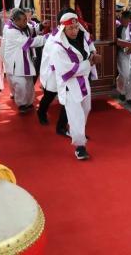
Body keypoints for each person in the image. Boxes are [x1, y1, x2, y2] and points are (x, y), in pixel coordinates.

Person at [50, 12, 100, 160]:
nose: (74, 31)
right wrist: (89, 63)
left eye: (76, 27)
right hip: (69, 86)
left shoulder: (82, 36)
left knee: (86, 110)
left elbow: (90, 46)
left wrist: (93, 54)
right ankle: (80, 147)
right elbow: (66, 71)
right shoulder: (58, 47)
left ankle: (78, 132)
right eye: (70, 28)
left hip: (83, 82)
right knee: (76, 115)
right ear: (63, 29)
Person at [3, 8, 46, 113]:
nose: (26, 22)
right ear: (16, 21)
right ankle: (22, 105)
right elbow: (29, 42)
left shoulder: (23, 26)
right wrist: (48, 38)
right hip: (16, 63)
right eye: (23, 20)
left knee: (29, 84)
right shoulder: (10, 31)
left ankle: (29, 103)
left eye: (26, 20)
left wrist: (42, 25)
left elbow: (32, 29)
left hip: (25, 60)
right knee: (20, 84)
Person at [116, 10, 131, 102]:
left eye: (124, 19)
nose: (122, 21)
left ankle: (128, 94)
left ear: (129, 19)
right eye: (121, 19)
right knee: (125, 73)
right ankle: (123, 92)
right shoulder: (118, 29)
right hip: (122, 54)